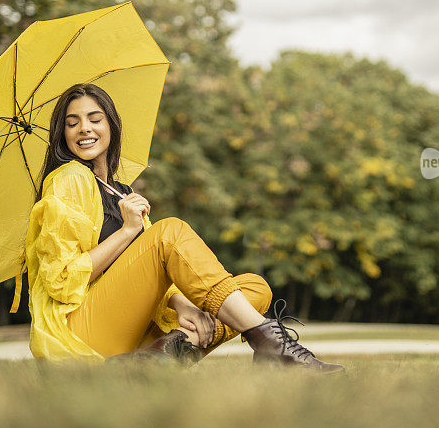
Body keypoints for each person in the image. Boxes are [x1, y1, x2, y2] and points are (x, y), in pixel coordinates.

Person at [24, 82, 343, 372]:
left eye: (95, 119)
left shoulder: (124, 192)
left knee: (254, 288)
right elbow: (61, 281)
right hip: (80, 337)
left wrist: (183, 305)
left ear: (111, 125)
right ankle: (274, 345)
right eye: (72, 122)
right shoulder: (69, 179)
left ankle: (156, 358)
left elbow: (150, 277)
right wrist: (127, 232)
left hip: (127, 337)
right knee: (170, 232)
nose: (84, 128)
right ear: (62, 133)